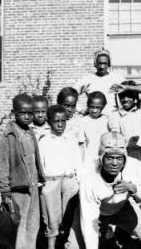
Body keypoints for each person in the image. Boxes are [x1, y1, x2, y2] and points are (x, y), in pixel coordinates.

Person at [80, 131, 141, 249]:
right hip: (98, 212)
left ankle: (120, 233)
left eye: (119, 158)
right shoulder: (89, 173)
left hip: (122, 207)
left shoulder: (136, 167)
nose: (115, 163)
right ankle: (107, 233)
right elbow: (88, 218)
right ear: (101, 158)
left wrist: (133, 188)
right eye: (109, 158)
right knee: (76, 245)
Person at [0, 93, 46, 249]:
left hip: (33, 186)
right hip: (18, 188)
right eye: (22, 113)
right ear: (13, 113)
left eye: (29, 113)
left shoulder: (30, 132)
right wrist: (5, 191)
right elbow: (2, 165)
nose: (27, 116)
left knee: (33, 224)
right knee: (20, 225)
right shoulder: (8, 136)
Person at [38, 105, 83, 249]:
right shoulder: (43, 141)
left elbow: (78, 163)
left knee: (68, 217)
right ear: (48, 122)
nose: (60, 124)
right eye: (56, 121)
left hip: (69, 181)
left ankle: (66, 244)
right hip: (51, 182)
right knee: (52, 219)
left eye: (63, 121)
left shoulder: (70, 139)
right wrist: (42, 185)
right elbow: (39, 165)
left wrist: (80, 182)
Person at [108, 80, 141, 164]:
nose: (125, 99)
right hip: (126, 153)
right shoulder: (115, 114)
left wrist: (126, 87)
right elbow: (115, 136)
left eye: (129, 96)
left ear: (134, 97)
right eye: (122, 97)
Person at [75, 48, 124, 115]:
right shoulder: (88, 79)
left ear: (109, 64)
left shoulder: (117, 78)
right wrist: (80, 109)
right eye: (99, 63)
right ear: (95, 64)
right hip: (94, 118)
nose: (102, 66)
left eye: (105, 63)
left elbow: (129, 92)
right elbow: (72, 94)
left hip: (111, 116)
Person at [78, 91, 109, 167]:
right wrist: (82, 162)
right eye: (92, 107)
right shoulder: (83, 121)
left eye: (98, 107)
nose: (94, 110)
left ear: (103, 107)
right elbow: (82, 144)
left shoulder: (107, 120)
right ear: (88, 106)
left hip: (106, 156)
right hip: (89, 157)